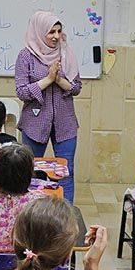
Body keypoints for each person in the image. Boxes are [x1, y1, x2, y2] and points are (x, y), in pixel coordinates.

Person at [15, 11, 82, 203]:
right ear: (39, 32)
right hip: (34, 124)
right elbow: (21, 92)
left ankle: (66, 219)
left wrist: (59, 80)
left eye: (59, 31)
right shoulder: (25, 56)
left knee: (66, 173)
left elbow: (76, 87)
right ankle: (32, 216)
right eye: (51, 32)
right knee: (31, 173)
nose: (56, 36)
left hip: (65, 123)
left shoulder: (66, 53)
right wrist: (48, 80)